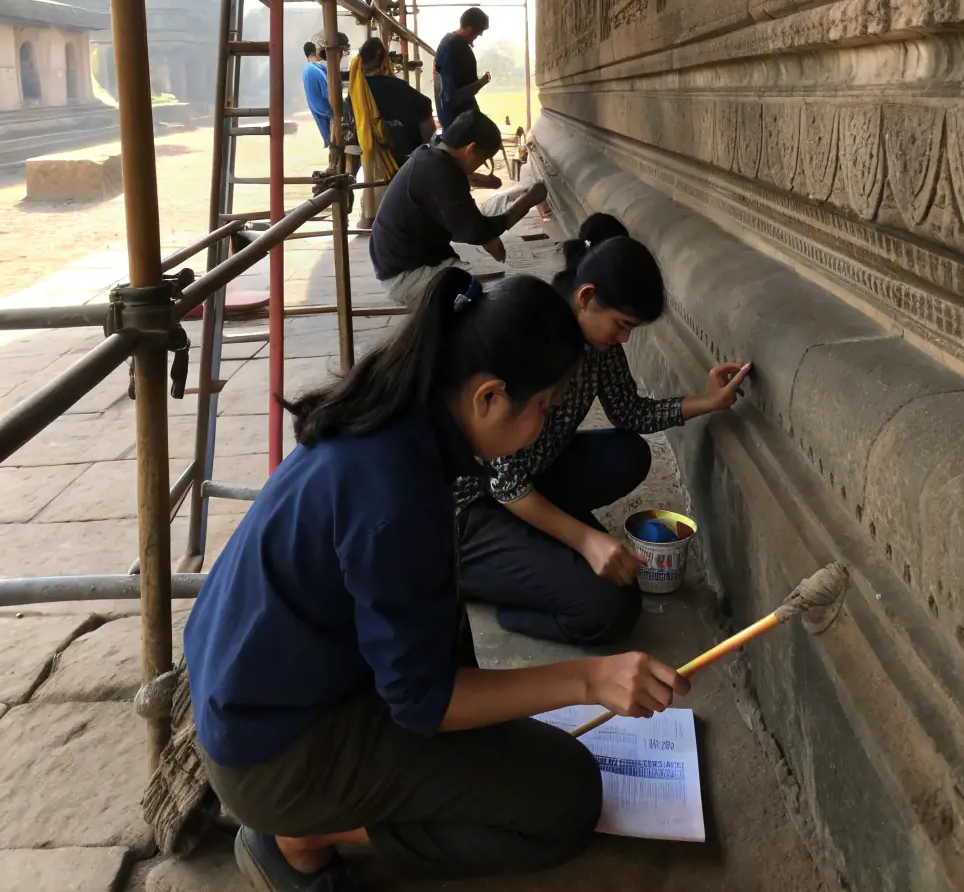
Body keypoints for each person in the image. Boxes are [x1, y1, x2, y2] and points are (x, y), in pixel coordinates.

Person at [183, 268, 689, 891]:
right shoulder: (397, 494)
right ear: (488, 396)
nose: (546, 421)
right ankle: (301, 835)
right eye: (543, 407)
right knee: (566, 799)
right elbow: (423, 702)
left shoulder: (394, 424)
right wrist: (589, 678)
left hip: (267, 694)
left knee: (507, 734)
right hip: (276, 753)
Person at [456, 215, 752, 648]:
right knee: (610, 608)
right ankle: (491, 587)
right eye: (622, 324)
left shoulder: (597, 346)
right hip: (473, 506)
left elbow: (629, 413)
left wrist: (706, 401)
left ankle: (533, 544)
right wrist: (586, 540)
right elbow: (505, 480)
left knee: (629, 454)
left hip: (527, 478)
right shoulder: (532, 342)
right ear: (586, 297)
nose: (625, 339)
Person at [369, 110, 547, 305]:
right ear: (470, 149)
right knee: (483, 302)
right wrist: (529, 199)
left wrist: (484, 234)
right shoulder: (441, 172)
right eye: (483, 159)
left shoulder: (431, 154)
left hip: (401, 260)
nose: (480, 165)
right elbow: (475, 231)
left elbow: (463, 221)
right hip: (405, 274)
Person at [345, 36, 434, 165]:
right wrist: (427, 149)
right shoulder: (398, 87)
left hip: (366, 162)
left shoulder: (354, 93)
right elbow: (425, 107)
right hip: (405, 162)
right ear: (380, 56)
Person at [433, 6, 491, 130]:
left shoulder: (450, 43)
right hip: (458, 122)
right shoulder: (454, 47)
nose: (479, 35)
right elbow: (451, 97)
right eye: (478, 32)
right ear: (470, 29)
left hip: (454, 120)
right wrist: (481, 82)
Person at [301, 41, 332, 148]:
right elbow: (329, 91)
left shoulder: (305, 69)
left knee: (330, 140)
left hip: (316, 109)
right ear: (315, 52)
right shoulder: (316, 69)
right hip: (327, 111)